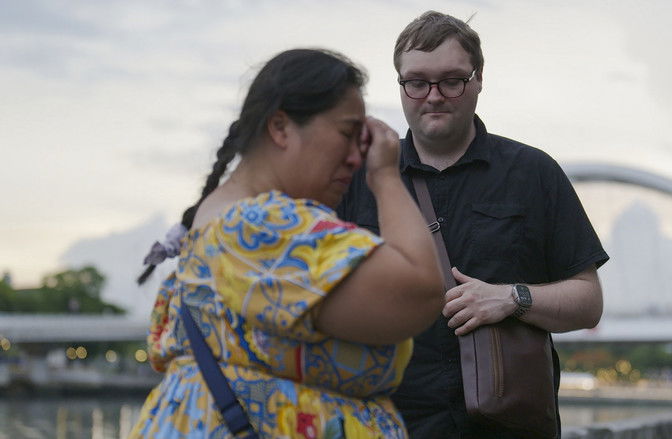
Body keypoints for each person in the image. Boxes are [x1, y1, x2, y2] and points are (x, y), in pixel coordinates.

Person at [129, 48, 444, 438]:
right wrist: (385, 177)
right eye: (347, 134)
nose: (356, 158)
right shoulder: (260, 228)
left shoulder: (234, 227)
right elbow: (419, 290)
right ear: (280, 128)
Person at [337, 11, 609, 439]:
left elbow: (588, 302)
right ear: (400, 85)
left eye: (452, 81)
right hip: (389, 425)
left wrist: (512, 298)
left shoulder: (532, 171)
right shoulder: (358, 180)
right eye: (417, 82)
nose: (433, 96)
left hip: (507, 427)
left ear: (479, 79)